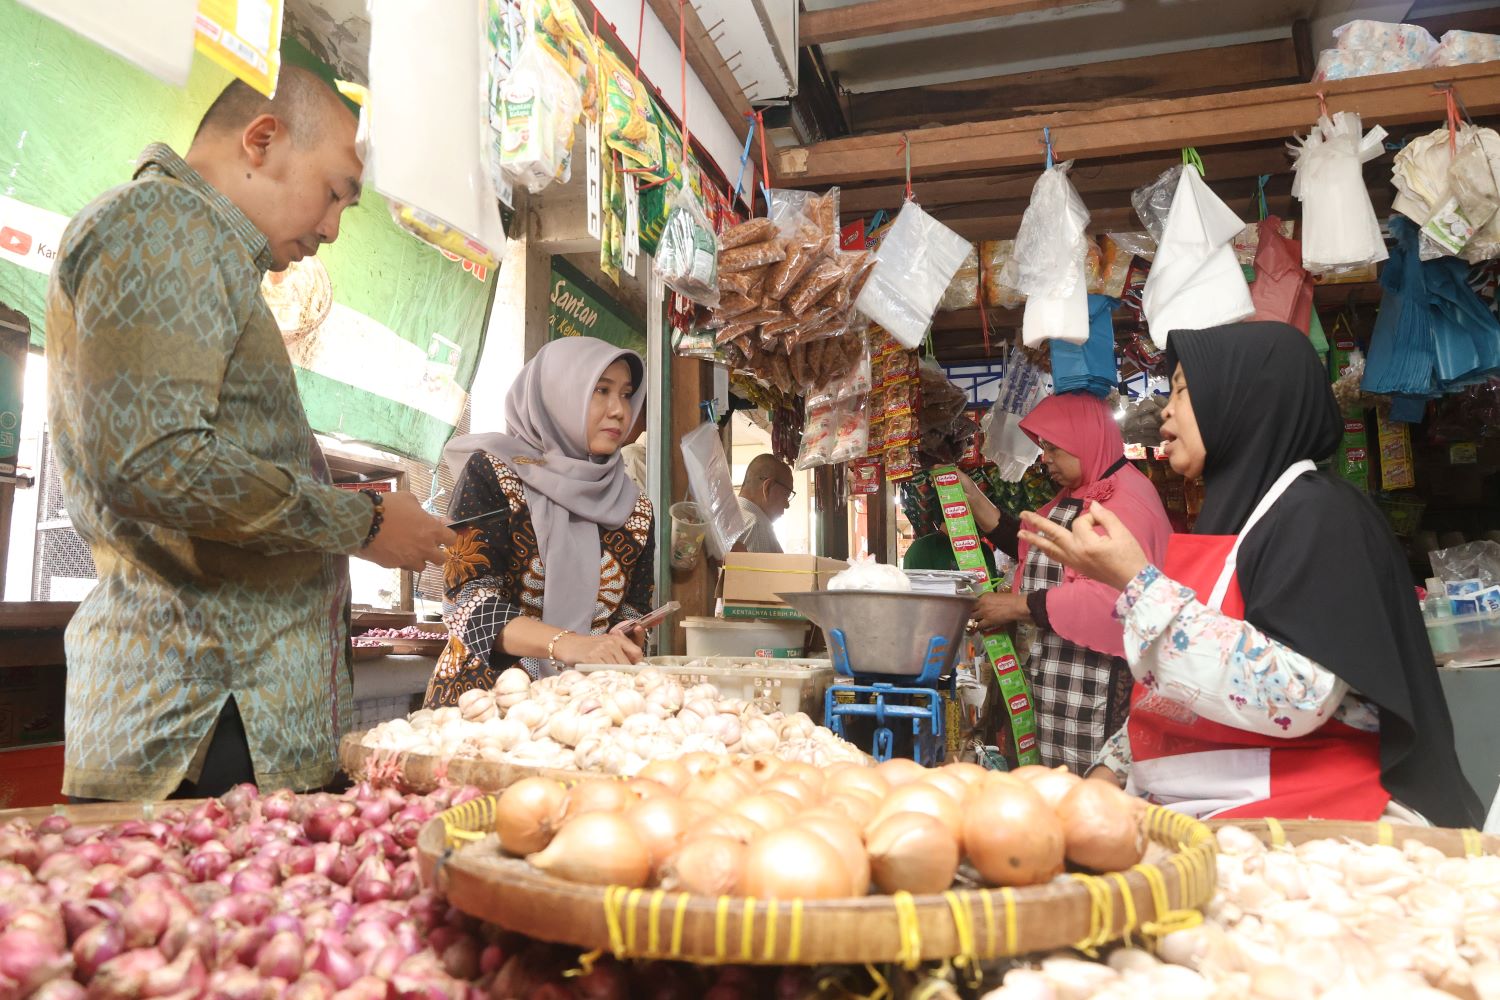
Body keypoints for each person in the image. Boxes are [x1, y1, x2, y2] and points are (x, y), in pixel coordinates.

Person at [46, 69, 455, 802]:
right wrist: (360, 523)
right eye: (335, 192)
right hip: (197, 721)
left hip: (231, 716)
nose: (332, 227)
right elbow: (156, 461)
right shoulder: (162, 224)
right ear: (261, 141)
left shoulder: (205, 251)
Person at [1021, 321, 1481, 826]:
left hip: (1309, 830)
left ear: (1243, 399)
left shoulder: (1320, 515)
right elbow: (1181, 692)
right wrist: (1109, 772)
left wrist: (1137, 584)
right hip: (1210, 815)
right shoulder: (1237, 522)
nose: (1167, 409)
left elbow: (1297, 695)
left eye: (1183, 390)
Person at [428, 337, 655, 704]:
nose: (619, 410)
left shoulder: (636, 510)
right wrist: (568, 644)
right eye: (601, 390)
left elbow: (631, 611)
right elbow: (468, 604)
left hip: (589, 710)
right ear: (559, 394)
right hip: (482, 706)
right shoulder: (494, 473)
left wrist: (625, 635)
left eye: (627, 394)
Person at [968, 394, 1173, 773]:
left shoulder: (1126, 502)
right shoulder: (1084, 491)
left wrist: (1017, 606)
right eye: (1043, 446)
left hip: (1102, 682)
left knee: (1095, 794)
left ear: (1085, 439)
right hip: (1061, 677)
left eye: (1053, 447)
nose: (1044, 458)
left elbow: (1115, 597)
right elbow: (1042, 547)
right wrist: (972, 499)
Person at [735, 453, 794, 554]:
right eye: (786, 495)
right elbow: (761, 570)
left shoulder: (724, 517)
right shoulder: (756, 525)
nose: (787, 505)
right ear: (767, 487)